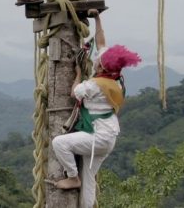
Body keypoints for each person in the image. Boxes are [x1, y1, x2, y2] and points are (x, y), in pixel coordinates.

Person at [50, 12, 141, 206]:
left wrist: (77, 74)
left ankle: (72, 177)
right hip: (108, 138)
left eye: (99, 60)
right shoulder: (114, 79)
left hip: (97, 138)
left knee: (59, 143)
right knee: (89, 181)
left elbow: (75, 93)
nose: (97, 59)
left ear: (101, 66)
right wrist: (97, 19)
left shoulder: (95, 85)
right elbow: (101, 43)